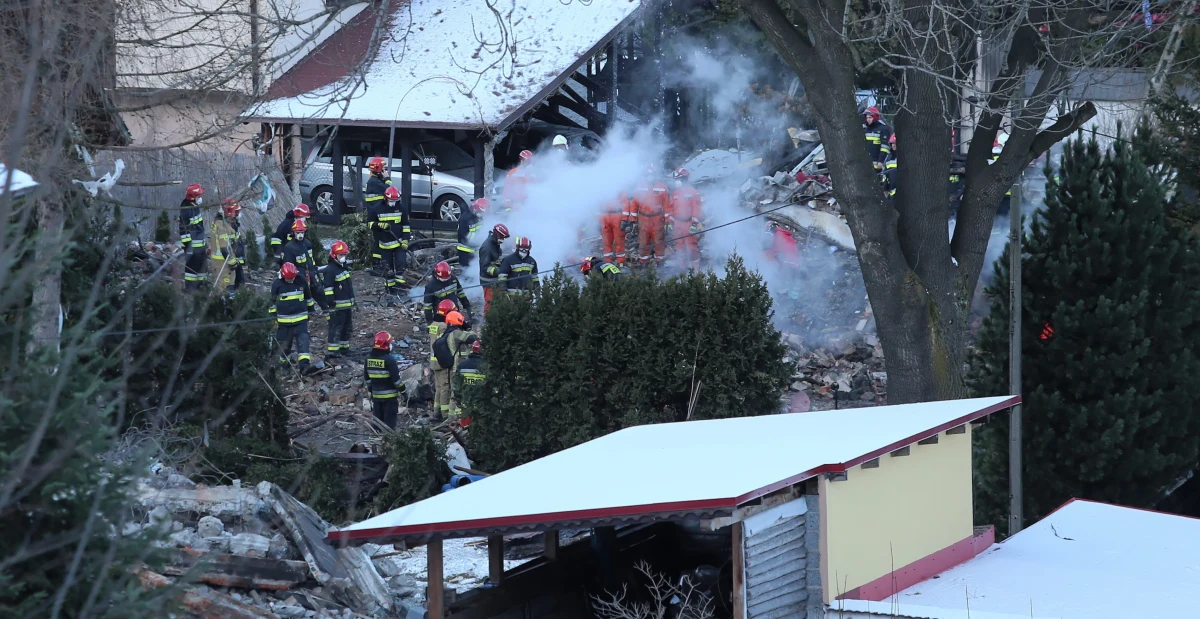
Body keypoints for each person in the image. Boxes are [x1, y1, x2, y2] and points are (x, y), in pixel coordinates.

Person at [431, 310, 477, 422]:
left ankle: (450, 416)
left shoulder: (448, 332)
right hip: (458, 366)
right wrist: (469, 328)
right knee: (456, 392)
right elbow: (472, 338)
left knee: (453, 391)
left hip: (454, 366)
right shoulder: (456, 333)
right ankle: (453, 417)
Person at [270, 262, 315, 374]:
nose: (291, 280)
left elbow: (308, 296)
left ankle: (304, 367)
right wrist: (272, 318)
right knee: (285, 346)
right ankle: (284, 365)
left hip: (301, 319)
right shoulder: (277, 284)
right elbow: (271, 303)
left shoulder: (301, 280)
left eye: (293, 278)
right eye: (289, 279)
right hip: (284, 322)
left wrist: (311, 310)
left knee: (303, 343)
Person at [370, 184, 411, 301]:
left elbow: (406, 226)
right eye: (391, 200)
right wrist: (379, 225)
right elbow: (370, 223)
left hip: (399, 243)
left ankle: (399, 287)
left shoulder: (401, 208)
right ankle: (390, 290)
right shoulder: (377, 209)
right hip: (385, 244)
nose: (394, 202)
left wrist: (405, 240)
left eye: (396, 200)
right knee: (388, 269)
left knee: (401, 263)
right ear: (385, 198)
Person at [628, 164, 670, 265]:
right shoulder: (639, 188)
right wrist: (633, 221)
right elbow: (634, 204)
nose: (650, 177)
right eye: (647, 174)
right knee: (643, 241)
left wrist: (668, 221)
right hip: (643, 219)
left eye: (652, 174)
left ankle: (660, 262)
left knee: (659, 241)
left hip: (657, 219)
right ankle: (644, 262)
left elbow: (667, 205)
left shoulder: (662, 188)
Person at [365, 331, 407, 429]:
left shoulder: (368, 359)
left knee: (377, 422)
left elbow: (367, 379)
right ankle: (388, 442)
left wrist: (372, 390)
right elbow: (396, 381)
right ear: (386, 345)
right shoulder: (389, 360)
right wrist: (404, 391)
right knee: (389, 424)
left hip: (376, 397)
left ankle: (374, 441)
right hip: (390, 398)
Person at [322, 240, 355, 357]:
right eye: (341, 255)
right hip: (337, 307)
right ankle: (333, 351)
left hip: (346, 306)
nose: (343, 257)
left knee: (347, 328)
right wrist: (331, 303)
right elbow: (328, 287)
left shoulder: (343, 267)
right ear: (334, 255)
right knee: (336, 328)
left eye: (345, 255)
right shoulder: (330, 270)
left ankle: (344, 349)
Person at [669, 168, 703, 270]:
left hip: (688, 224)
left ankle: (695, 271)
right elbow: (671, 208)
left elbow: (696, 209)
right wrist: (670, 222)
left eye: (678, 179)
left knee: (692, 247)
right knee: (679, 247)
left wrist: (694, 224)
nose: (676, 182)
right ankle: (682, 270)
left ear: (684, 179)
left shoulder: (693, 192)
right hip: (677, 224)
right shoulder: (675, 193)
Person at [179, 183, 208, 291]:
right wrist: (188, 247)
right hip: (193, 248)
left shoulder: (194, 207)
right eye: (199, 196)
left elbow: (199, 227)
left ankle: (201, 289)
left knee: (202, 269)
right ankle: (190, 290)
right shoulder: (186, 208)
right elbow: (183, 229)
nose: (200, 199)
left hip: (200, 247)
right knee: (192, 270)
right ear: (193, 197)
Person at [209, 198, 240, 296]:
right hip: (223, 263)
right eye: (236, 212)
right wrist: (232, 262)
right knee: (224, 287)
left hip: (223, 262)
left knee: (227, 285)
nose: (237, 214)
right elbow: (224, 247)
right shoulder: (221, 226)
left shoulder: (224, 223)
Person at [478, 223, 509, 312]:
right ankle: (488, 324)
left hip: (495, 280)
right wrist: (500, 271)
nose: (502, 240)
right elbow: (485, 267)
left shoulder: (495, 244)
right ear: (496, 234)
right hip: (488, 282)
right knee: (490, 304)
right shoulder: (486, 248)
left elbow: (496, 261)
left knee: (498, 302)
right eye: (502, 237)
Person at [454, 339, 485, 427]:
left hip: (466, 406)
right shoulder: (487, 366)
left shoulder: (462, 365)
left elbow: (456, 387)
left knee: (465, 431)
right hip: (482, 407)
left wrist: (459, 401)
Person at [282, 219, 316, 299]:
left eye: (302, 232)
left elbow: (310, 259)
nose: (300, 235)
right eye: (298, 233)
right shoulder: (289, 247)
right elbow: (288, 266)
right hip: (298, 276)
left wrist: (313, 272)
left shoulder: (307, 244)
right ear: (293, 232)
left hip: (309, 273)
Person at [599, 193, 630, 266]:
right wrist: (598, 220)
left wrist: (624, 220)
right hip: (605, 216)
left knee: (619, 241)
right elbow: (598, 205)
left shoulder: (620, 190)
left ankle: (621, 262)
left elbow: (625, 205)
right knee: (606, 241)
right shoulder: (601, 189)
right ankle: (607, 262)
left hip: (616, 216)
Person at [457, 197, 488, 269]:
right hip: (465, 250)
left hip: (475, 249)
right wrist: (477, 241)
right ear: (476, 209)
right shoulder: (465, 218)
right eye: (480, 212)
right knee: (466, 270)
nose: (482, 214)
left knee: (475, 269)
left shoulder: (477, 217)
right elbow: (463, 236)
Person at [862, 106, 893, 170]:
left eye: (870, 117)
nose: (868, 119)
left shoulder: (883, 129)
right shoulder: (865, 129)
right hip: (865, 164)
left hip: (877, 164)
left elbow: (885, 147)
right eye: (867, 117)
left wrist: (881, 161)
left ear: (875, 117)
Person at [881, 134, 898, 207]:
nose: (893, 145)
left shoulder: (905, 155)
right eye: (892, 144)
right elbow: (884, 173)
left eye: (895, 143)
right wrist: (885, 187)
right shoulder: (888, 157)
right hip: (892, 191)